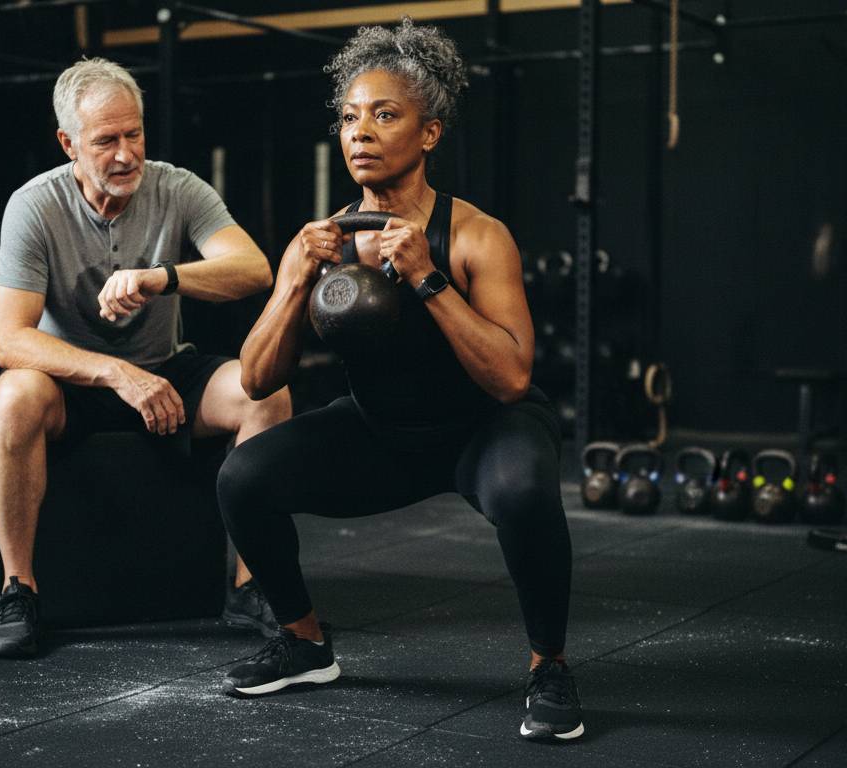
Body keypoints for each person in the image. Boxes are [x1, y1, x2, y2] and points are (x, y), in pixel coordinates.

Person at [215, 20, 583, 741]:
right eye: (350, 116)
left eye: (385, 115)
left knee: (524, 490)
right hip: (384, 430)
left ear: (430, 133)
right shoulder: (324, 241)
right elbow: (257, 381)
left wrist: (426, 279)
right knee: (243, 476)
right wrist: (292, 281)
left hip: (485, 429)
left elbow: (511, 378)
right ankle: (306, 641)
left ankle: (550, 665)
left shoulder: (476, 235)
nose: (361, 132)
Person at [0, 57, 289, 658]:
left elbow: (255, 269)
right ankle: (18, 590)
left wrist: (162, 277)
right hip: (74, 382)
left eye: (135, 134)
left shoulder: (177, 187)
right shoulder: (33, 206)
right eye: (105, 141)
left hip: (170, 369)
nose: (125, 155)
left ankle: (253, 586)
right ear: (69, 143)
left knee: (265, 392)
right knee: (15, 393)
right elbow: (8, 340)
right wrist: (118, 374)